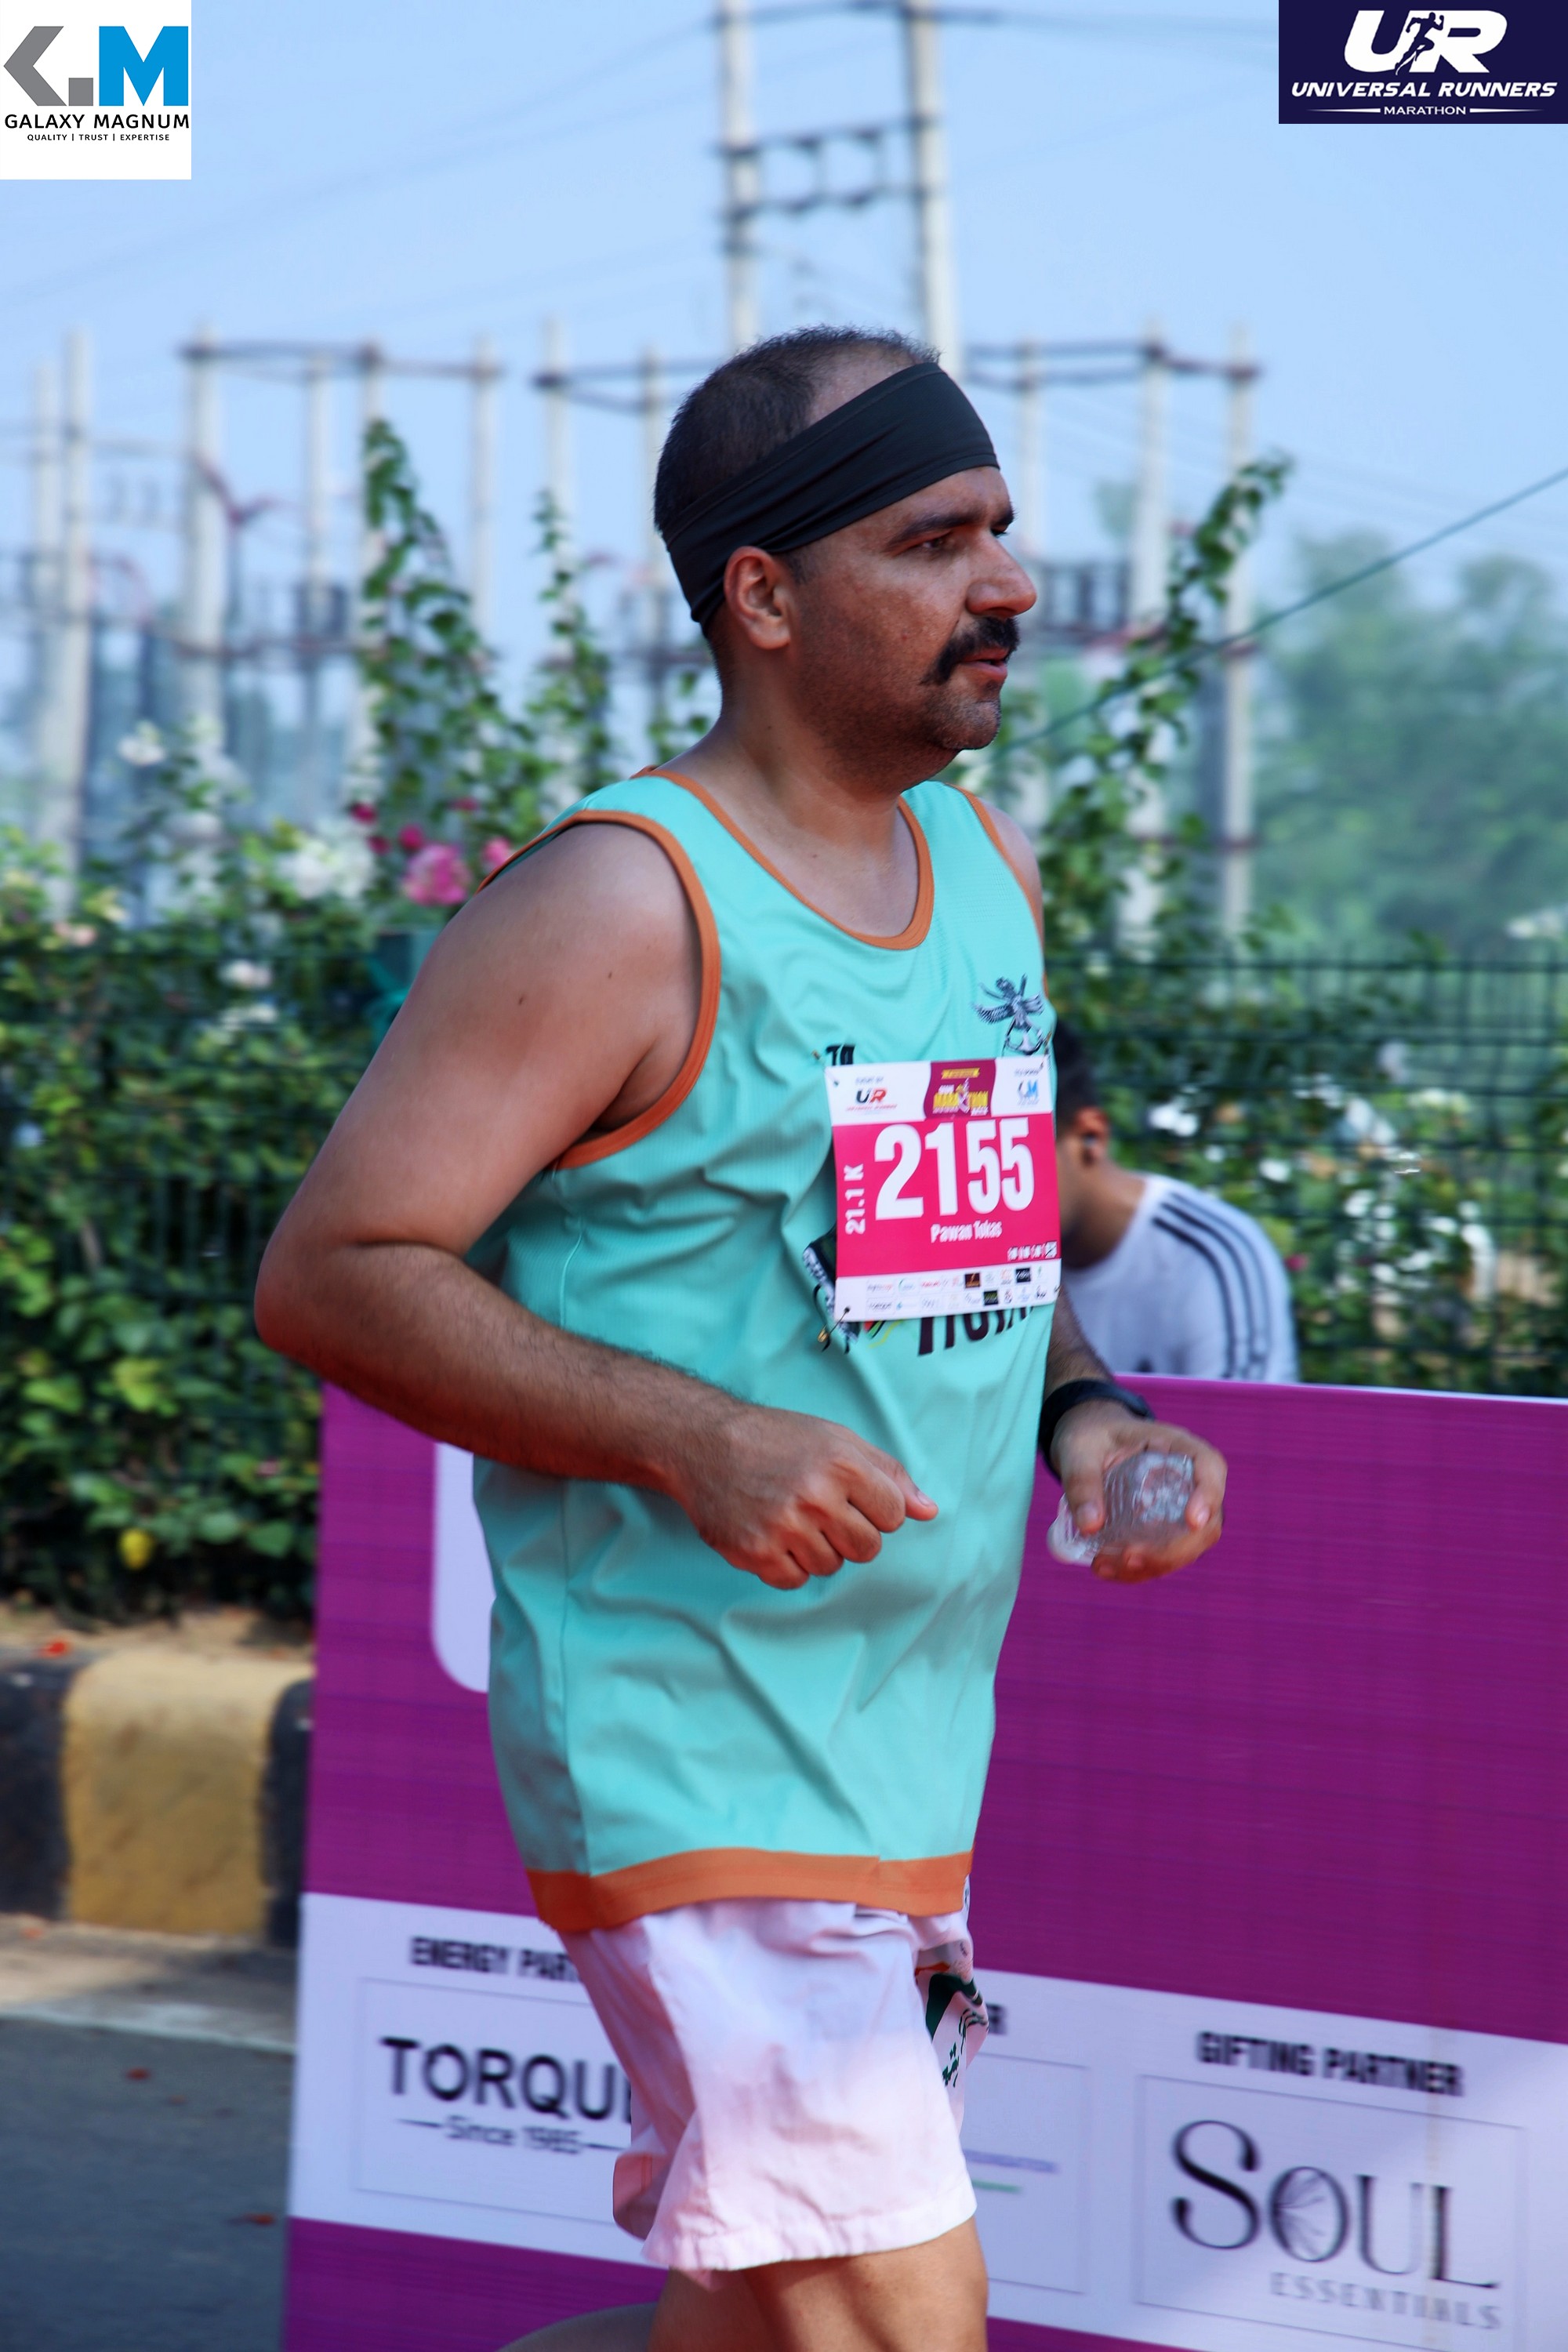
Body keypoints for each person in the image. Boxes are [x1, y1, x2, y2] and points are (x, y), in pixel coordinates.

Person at [256, 327, 1226, 2352]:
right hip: (691, 1753)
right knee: (890, 2311)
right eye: (934, 540)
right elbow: (336, 1272)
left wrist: (1089, 1415)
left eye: (1001, 531)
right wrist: (695, 1434)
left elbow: (973, 1252)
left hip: (898, 1756)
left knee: (767, 2310)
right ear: (763, 596)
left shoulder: (984, 870)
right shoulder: (622, 903)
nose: (1009, 584)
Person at [1052, 1019, 1298, 1383]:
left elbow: (1245, 1420)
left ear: (1090, 1136)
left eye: (1016, 1155)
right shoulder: (985, 1269)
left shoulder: (1213, 1256)